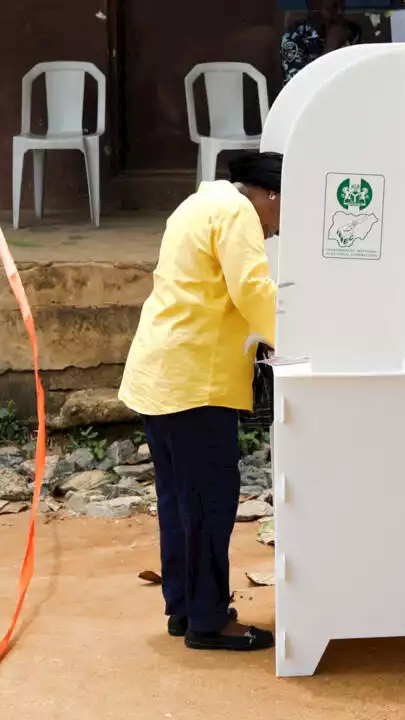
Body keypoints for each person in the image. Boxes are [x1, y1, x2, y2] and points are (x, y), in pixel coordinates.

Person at [119, 152, 282, 652]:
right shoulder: (238, 215)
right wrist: (299, 341)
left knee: (178, 502)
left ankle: (186, 607)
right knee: (209, 504)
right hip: (195, 383)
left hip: (160, 373)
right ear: (271, 196)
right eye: (284, 216)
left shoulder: (200, 201)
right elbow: (252, 289)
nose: (277, 232)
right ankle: (209, 622)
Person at [280, 0, 362, 86]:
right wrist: (330, 47)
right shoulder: (294, 36)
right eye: (333, 7)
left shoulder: (352, 31)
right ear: (313, 6)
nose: (340, 12)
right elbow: (297, 85)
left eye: (343, 7)